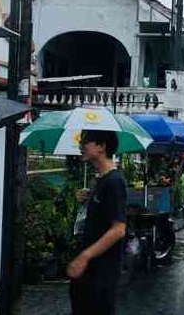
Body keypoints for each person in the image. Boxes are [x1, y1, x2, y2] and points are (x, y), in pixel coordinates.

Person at [68, 130, 127, 315]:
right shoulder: (101, 180)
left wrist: (85, 256)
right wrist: (87, 199)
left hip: (102, 270)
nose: (80, 147)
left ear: (101, 146)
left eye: (85, 142)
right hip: (89, 271)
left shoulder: (115, 182)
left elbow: (118, 229)